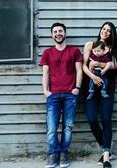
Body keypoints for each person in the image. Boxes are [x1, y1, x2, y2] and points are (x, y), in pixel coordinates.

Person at [39, 22, 83, 168]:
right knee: (51, 127)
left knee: (68, 126)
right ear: (52, 35)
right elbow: (45, 72)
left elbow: (79, 71)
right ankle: (53, 154)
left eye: (60, 31)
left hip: (70, 94)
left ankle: (64, 153)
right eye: (55, 31)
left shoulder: (75, 51)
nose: (58, 33)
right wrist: (45, 90)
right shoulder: (47, 53)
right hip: (53, 95)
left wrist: (77, 87)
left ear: (65, 33)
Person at [83, 22, 117, 168]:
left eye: (109, 30)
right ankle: (105, 146)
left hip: (107, 89)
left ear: (112, 34)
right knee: (92, 119)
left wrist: (99, 65)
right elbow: (84, 65)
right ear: (100, 30)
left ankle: (106, 156)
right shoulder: (90, 45)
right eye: (104, 29)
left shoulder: (112, 48)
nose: (105, 32)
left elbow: (116, 66)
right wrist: (93, 77)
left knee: (106, 120)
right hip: (91, 89)